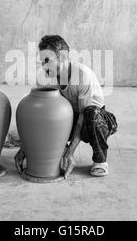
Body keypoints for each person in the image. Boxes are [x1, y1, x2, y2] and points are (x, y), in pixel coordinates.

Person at [14, 35, 117, 178]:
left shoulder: (82, 75)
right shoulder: (48, 80)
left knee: (90, 113)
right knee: (45, 114)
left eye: (47, 60)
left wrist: (69, 153)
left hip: (97, 121)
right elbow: (42, 116)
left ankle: (100, 161)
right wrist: (25, 148)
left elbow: (82, 116)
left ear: (62, 57)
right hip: (70, 118)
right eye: (42, 61)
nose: (44, 66)